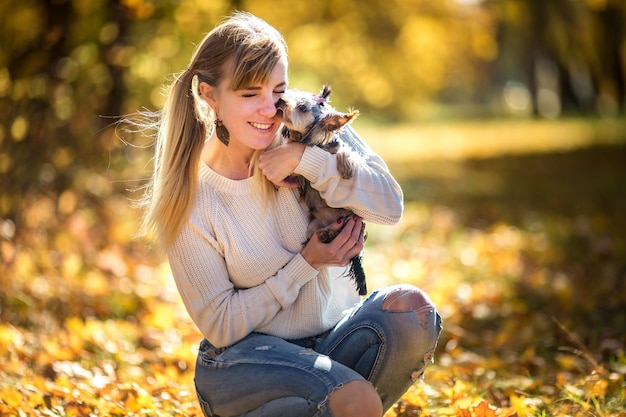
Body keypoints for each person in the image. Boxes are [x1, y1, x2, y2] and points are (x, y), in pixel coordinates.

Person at [138, 11, 442, 417]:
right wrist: (307, 263)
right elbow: (221, 325)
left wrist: (306, 159)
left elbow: (390, 206)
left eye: (278, 90)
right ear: (210, 96)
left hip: (334, 340)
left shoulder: (308, 122)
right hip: (245, 365)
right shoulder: (192, 198)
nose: (270, 109)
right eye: (250, 95)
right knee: (355, 398)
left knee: (413, 312)